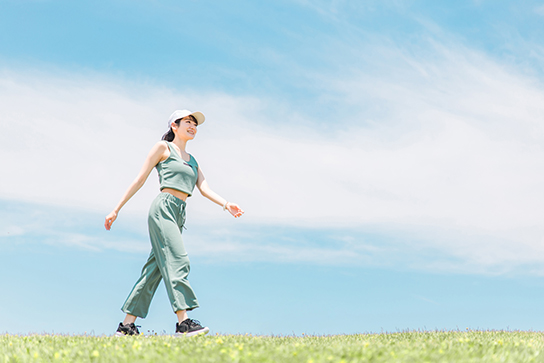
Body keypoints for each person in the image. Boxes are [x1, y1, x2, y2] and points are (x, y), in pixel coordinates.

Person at [105, 109, 244, 337]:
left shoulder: (193, 161)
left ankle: (127, 326)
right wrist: (116, 209)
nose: (193, 126)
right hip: (163, 208)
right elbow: (140, 179)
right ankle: (183, 322)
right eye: (188, 122)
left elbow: (204, 188)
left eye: (195, 124)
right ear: (174, 126)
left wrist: (226, 204)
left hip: (179, 212)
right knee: (178, 260)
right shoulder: (163, 148)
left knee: (155, 269)